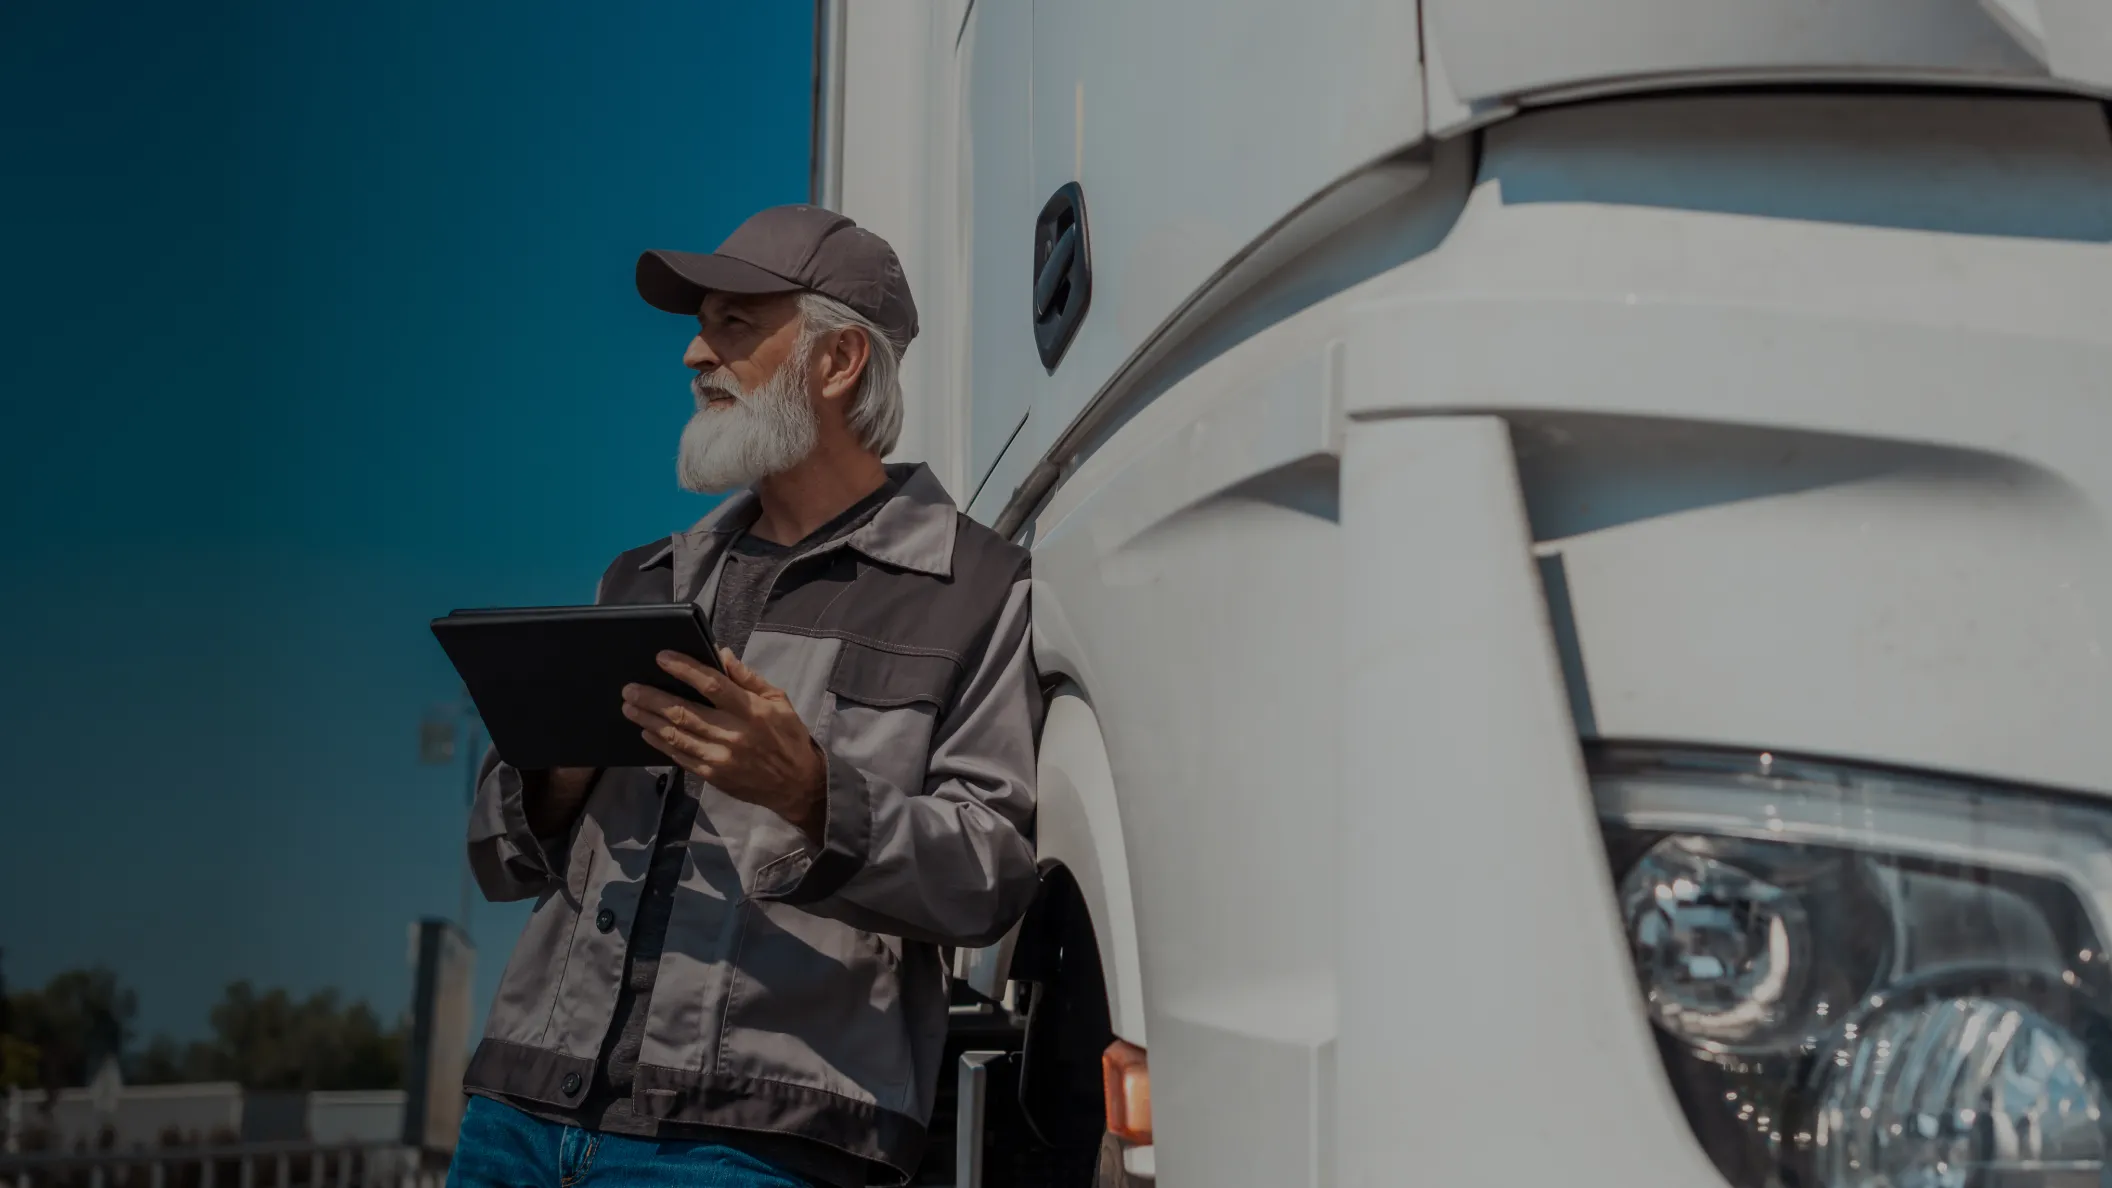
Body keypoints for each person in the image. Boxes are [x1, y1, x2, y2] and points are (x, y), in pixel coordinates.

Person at [446, 205, 1043, 1188]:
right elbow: (496, 859)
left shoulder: (976, 592)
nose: (691, 353)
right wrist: (549, 774)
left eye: (731, 324)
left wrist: (811, 791)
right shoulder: (640, 581)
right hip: (516, 1118)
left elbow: (991, 875)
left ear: (838, 360)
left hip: (756, 1145)